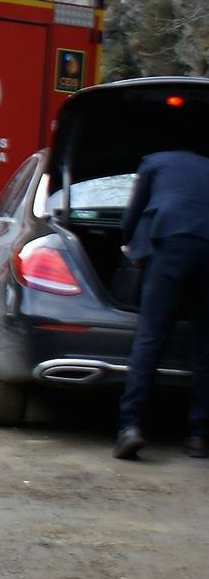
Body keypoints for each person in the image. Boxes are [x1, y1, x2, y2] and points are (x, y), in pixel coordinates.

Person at [114, 144, 209, 460]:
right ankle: (198, 435)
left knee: (151, 337)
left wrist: (131, 247)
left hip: (170, 242)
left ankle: (131, 427)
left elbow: (132, 214)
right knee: (204, 345)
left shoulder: (153, 162)